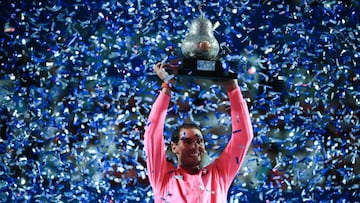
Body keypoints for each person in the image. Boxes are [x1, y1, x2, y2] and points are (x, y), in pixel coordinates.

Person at [144, 62, 253, 202]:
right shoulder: (163, 178)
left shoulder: (218, 175)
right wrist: (167, 87)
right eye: (188, 141)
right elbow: (152, 135)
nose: (195, 146)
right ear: (174, 147)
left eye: (199, 141)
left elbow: (243, 137)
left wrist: (233, 88)